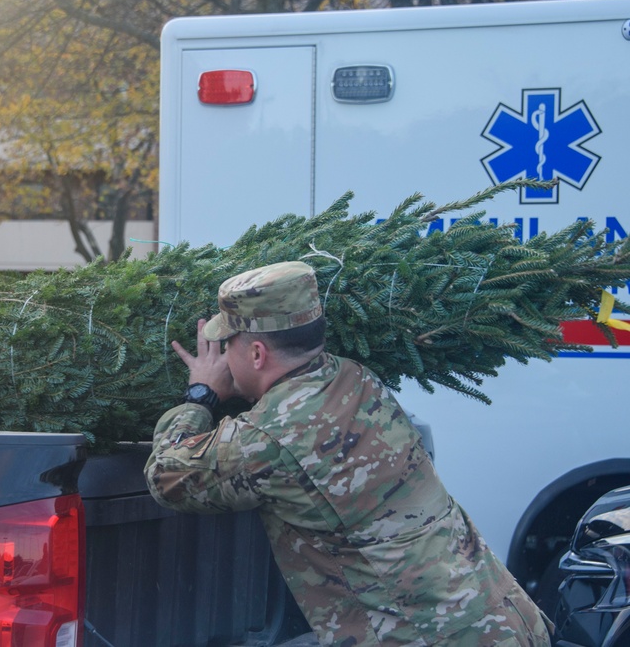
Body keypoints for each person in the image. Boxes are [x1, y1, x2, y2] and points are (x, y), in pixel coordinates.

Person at [144, 261, 552, 646]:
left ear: (256, 354)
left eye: (227, 343)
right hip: (502, 616)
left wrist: (201, 395)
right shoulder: (355, 377)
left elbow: (166, 478)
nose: (222, 355)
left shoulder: (268, 439)